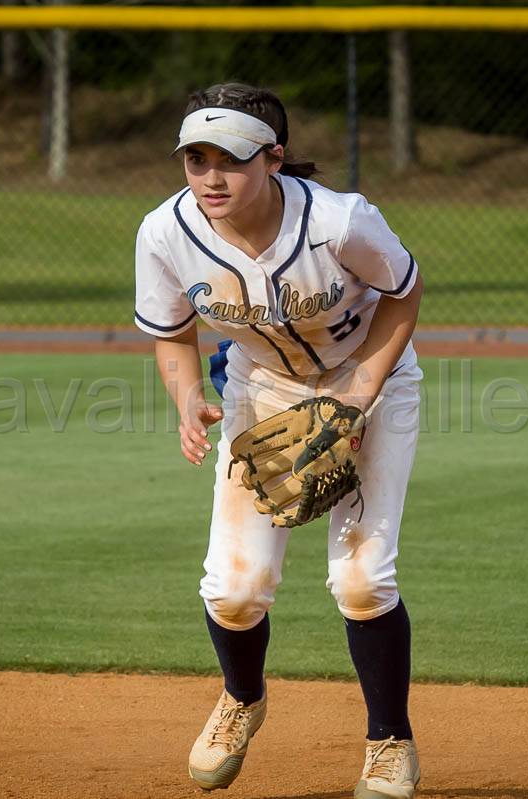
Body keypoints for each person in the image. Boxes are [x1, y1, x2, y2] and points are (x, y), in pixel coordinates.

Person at [133, 81, 424, 799]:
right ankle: (242, 697)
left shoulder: (338, 221)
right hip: (261, 390)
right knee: (234, 591)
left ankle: (390, 742)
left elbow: (404, 293)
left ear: (272, 158)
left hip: (371, 380)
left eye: (227, 160)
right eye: (194, 159)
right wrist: (188, 397)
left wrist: (359, 396)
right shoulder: (165, 233)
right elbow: (173, 335)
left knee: (361, 580)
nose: (210, 177)